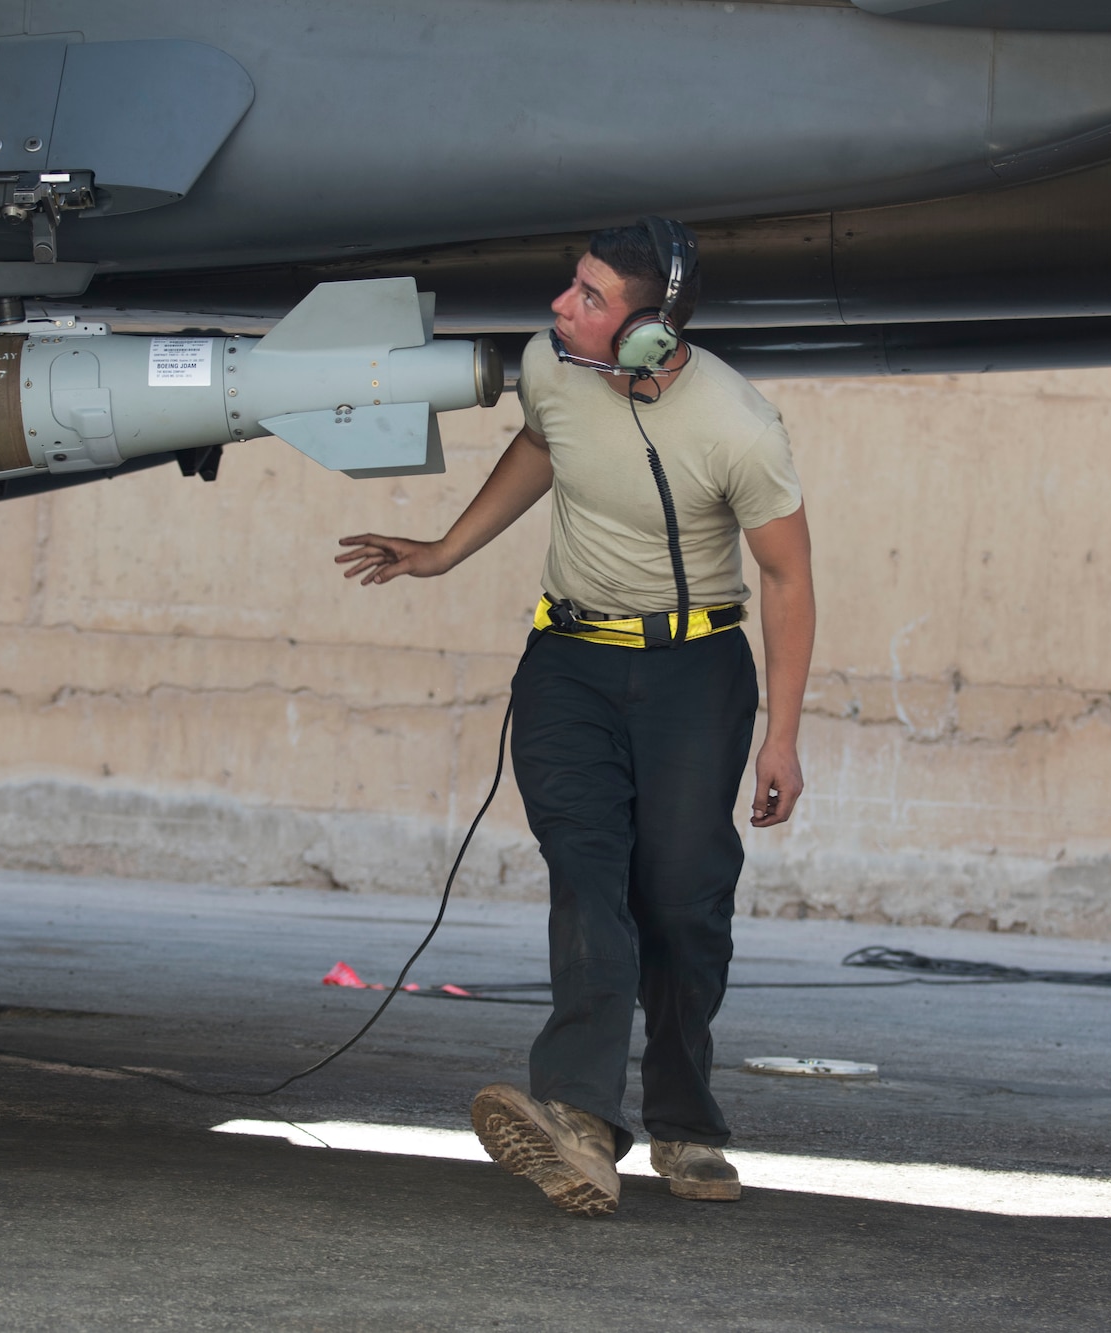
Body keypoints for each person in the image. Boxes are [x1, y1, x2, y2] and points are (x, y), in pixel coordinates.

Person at [334, 219, 815, 1217]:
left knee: (681, 898)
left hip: (693, 671)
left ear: (649, 330)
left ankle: (684, 1119)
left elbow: (785, 574)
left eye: (589, 297)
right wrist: (442, 549)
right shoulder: (547, 369)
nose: (560, 306)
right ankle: (579, 1119)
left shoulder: (736, 424)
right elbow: (537, 445)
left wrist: (780, 734)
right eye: (571, 286)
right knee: (586, 871)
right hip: (567, 667)